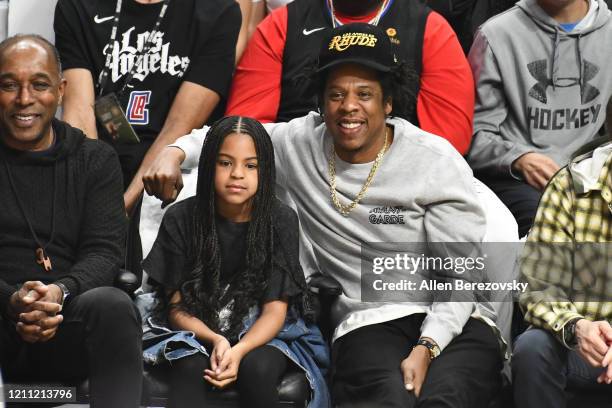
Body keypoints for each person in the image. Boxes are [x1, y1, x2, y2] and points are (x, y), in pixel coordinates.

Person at [144, 23, 506, 408]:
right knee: (388, 400)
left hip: (454, 319)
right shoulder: (300, 143)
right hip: (369, 320)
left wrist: (427, 346)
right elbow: (230, 138)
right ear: (320, 102)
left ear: (388, 103)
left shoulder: (433, 161)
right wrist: (174, 152)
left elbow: (459, 278)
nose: (349, 106)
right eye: (336, 94)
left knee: (445, 399)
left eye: (365, 94)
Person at [143, 116, 329, 408]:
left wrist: (239, 349)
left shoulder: (280, 220)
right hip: (194, 325)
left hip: (262, 331)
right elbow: (176, 309)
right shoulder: (180, 218)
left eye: (250, 165)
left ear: (265, 170)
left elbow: (274, 312)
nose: (237, 174)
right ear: (208, 167)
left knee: (257, 368)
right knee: (189, 365)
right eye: (225, 163)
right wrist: (216, 340)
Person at [0, 35, 142, 407]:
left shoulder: (94, 160)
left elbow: (104, 252)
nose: (24, 99)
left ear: (61, 91)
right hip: (1, 318)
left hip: (68, 321)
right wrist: (12, 301)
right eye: (9, 85)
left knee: (112, 304)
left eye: (40, 84)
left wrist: (58, 293)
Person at [54, 0, 241, 214]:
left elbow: (179, 126)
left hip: (170, 176)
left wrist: (122, 211)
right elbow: (78, 112)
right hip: (95, 171)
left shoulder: (218, 11)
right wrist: (95, 204)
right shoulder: (77, 5)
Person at [227, 0, 475, 154]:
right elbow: (245, 126)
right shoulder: (283, 22)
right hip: (294, 165)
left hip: (399, 170)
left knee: (496, 231)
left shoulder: (430, 28)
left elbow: (450, 142)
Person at [467, 0, 612, 237]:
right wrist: (518, 158)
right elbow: (473, 135)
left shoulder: (608, 32)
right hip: (521, 178)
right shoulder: (496, 35)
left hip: (592, 169)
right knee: (548, 224)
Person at [513, 135, 612, 406]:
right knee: (533, 347)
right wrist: (576, 327)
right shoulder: (570, 184)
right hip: (588, 348)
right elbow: (538, 285)